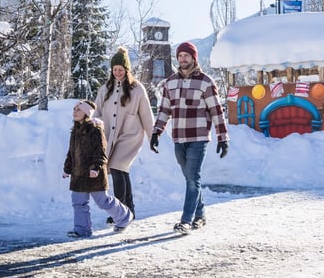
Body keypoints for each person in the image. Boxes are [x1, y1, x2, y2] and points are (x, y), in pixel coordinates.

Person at [149, 41, 229, 235]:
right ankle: (200, 215)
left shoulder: (205, 82)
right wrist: (156, 132)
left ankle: (185, 221)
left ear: (194, 58)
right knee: (191, 178)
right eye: (180, 56)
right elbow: (164, 110)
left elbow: (216, 111)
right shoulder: (170, 83)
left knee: (193, 178)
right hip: (179, 138)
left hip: (199, 137)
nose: (182, 59)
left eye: (186, 55)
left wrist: (222, 137)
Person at [93, 46, 154, 224]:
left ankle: (120, 212)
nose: (118, 73)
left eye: (121, 70)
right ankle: (129, 210)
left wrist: (153, 137)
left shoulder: (137, 89)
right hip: (110, 136)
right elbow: (96, 112)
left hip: (130, 136)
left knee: (118, 167)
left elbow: (147, 115)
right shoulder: (105, 89)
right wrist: (93, 129)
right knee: (120, 171)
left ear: (127, 70)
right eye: (115, 70)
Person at [62, 100, 133, 238]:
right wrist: (67, 168)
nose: (75, 112)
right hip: (78, 175)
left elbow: (101, 152)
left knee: (103, 201)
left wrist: (96, 167)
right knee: (78, 202)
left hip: (94, 174)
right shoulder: (75, 131)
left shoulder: (95, 129)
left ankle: (125, 216)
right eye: (74, 109)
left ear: (87, 113)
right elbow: (71, 152)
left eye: (78, 109)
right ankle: (82, 230)